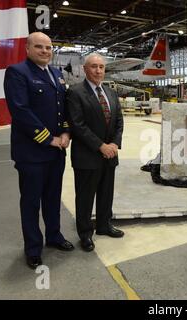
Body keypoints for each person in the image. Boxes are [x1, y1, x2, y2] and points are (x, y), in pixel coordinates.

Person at [3, 32, 74, 270]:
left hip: (57, 152)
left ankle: (53, 236)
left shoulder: (56, 74)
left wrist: (65, 133)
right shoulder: (17, 72)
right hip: (32, 154)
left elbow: (63, 108)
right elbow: (20, 111)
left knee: (53, 199)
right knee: (31, 202)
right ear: (28, 49)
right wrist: (49, 139)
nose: (45, 51)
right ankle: (33, 248)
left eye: (49, 47)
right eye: (39, 47)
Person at [66, 53, 124, 252]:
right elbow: (78, 125)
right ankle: (85, 234)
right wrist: (101, 146)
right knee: (85, 197)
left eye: (101, 67)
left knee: (106, 194)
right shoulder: (75, 92)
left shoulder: (111, 92)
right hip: (88, 156)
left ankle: (104, 225)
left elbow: (118, 122)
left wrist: (115, 144)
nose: (98, 70)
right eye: (93, 66)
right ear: (85, 69)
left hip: (110, 155)